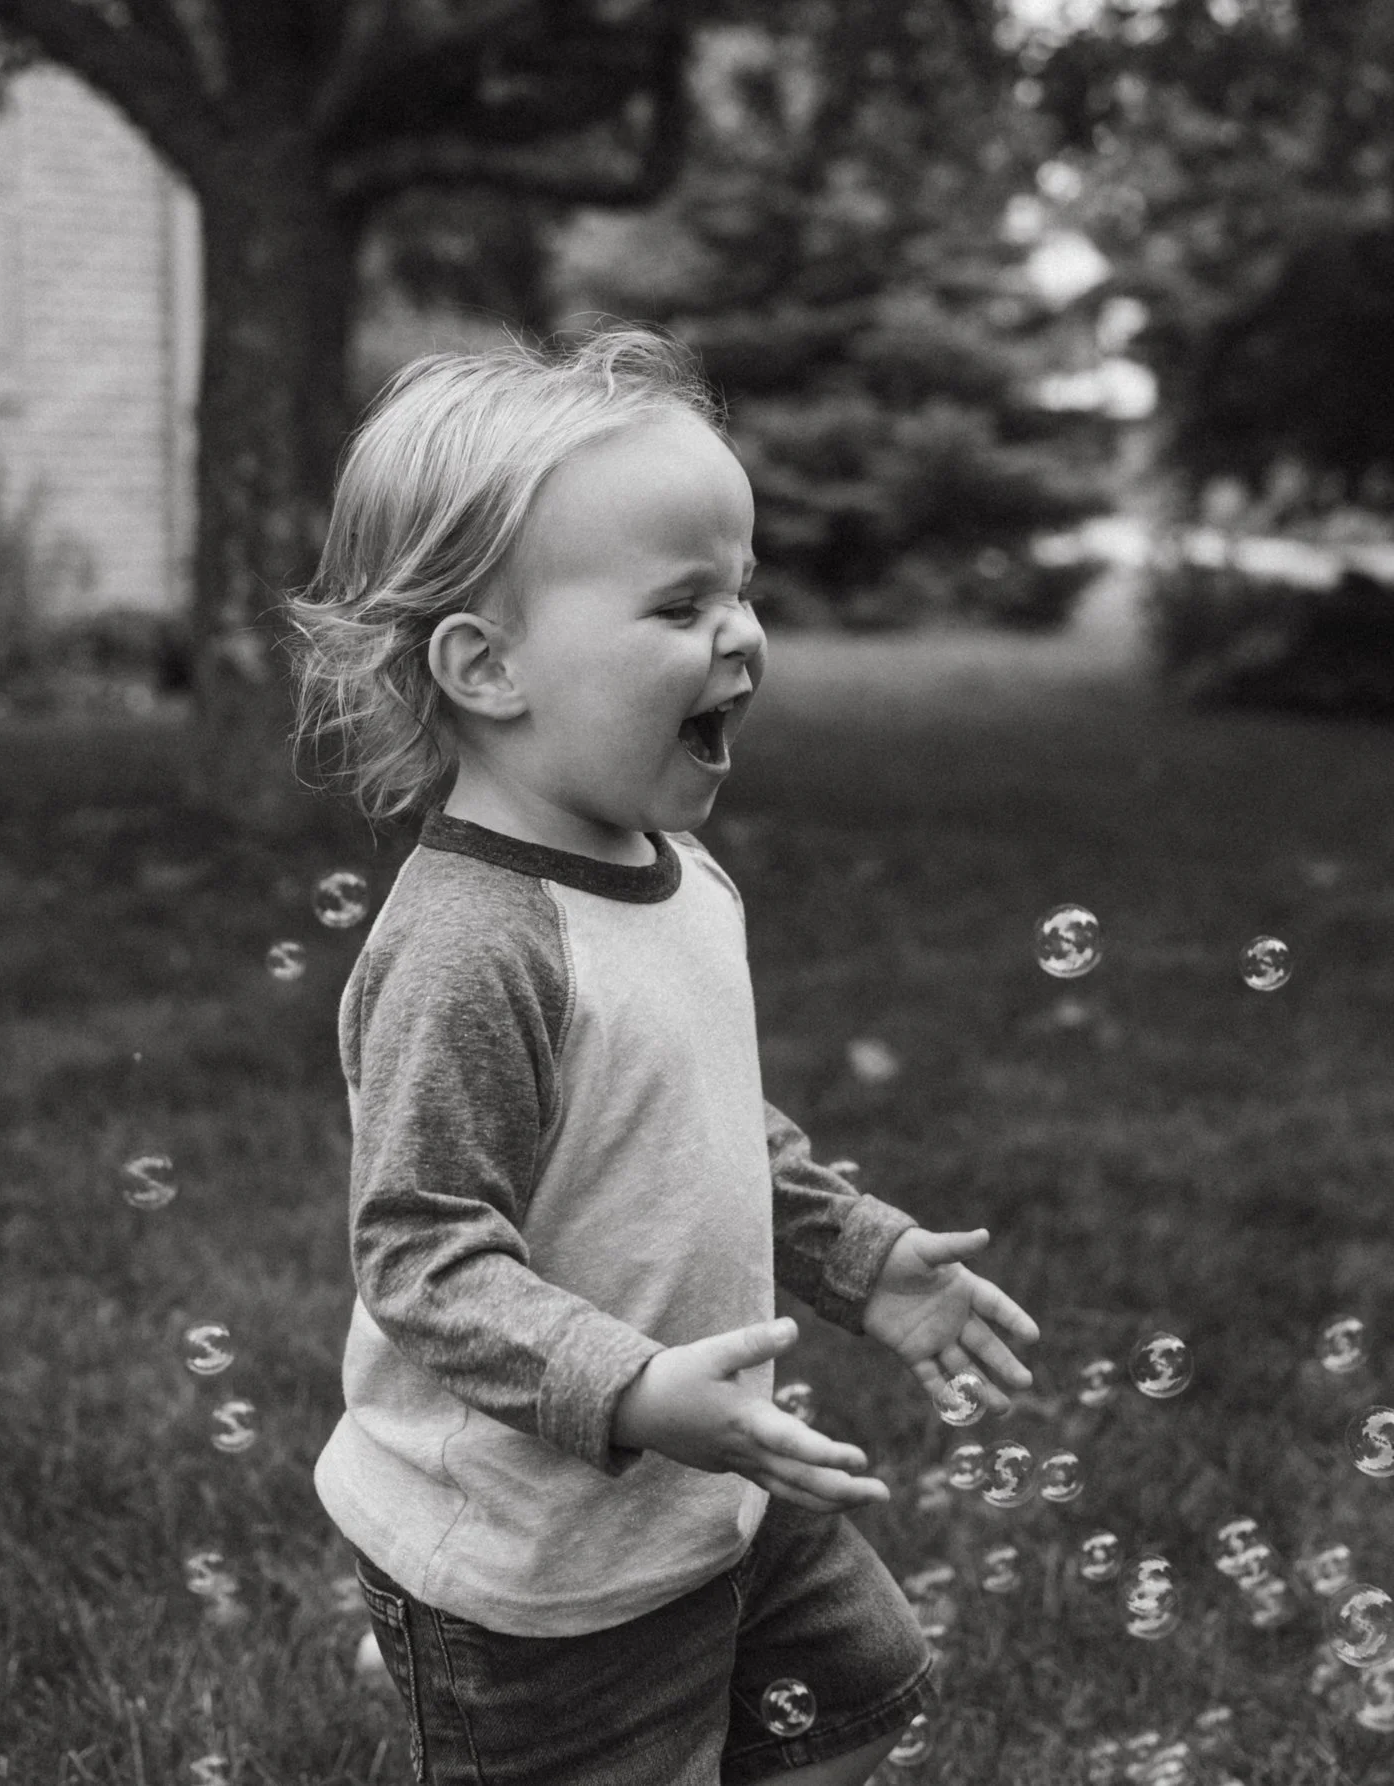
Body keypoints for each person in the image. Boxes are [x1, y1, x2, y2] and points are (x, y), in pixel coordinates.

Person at [286, 330, 1040, 1786]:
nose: (744, 632)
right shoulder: (474, 943)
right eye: (682, 601)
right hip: (535, 1563)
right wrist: (634, 1391)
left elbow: (708, 1127)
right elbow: (424, 1255)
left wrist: (863, 1257)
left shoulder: (679, 875)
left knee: (864, 1693)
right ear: (487, 664)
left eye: (743, 587)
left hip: (719, 1483)